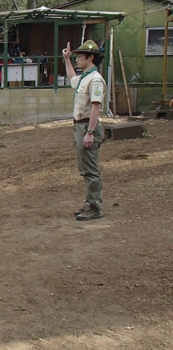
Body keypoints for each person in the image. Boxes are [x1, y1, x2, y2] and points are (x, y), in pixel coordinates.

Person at [63, 40, 106, 221]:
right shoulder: (84, 78)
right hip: (80, 126)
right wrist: (66, 59)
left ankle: (94, 207)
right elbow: (73, 80)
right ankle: (90, 203)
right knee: (85, 168)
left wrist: (90, 131)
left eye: (80, 56)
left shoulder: (95, 79)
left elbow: (96, 106)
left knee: (90, 169)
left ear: (91, 57)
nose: (77, 59)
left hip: (88, 125)